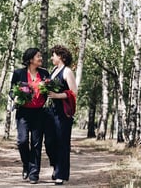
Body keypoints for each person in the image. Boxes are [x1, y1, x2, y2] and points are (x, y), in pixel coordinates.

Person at [9, 47, 50, 184]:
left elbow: (48, 90)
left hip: (39, 112)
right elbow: (11, 91)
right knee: (22, 141)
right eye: (38, 56)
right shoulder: (18, 73)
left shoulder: (44, 73)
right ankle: (26, 164)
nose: (41, 58)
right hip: (23, 112)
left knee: (36, 143)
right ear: (31, 59)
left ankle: (34, 174)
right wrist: (15, 97)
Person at [47, 45, 77, 185]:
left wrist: (57, 95)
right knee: (49, 142)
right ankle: (55, 166)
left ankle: (60, 174)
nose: (52, 57)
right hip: (51, 111)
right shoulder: (53, 70)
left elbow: (73, 92)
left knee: (62, 143)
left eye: (54, 55)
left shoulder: (67, 72)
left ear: (61, 57)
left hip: (63, 113)